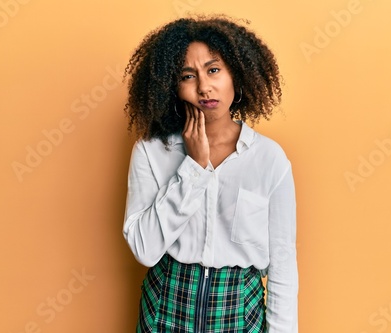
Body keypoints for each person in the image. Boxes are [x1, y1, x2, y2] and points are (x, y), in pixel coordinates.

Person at [122, 15, 298, 333]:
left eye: (213, 70)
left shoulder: (269, 160)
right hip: (165, 309)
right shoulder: (150, 151)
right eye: (188, 76)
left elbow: (283, 262)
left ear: (237, 74)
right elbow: (144, 250)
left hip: (240, 314)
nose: (204, 87)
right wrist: (194, 167)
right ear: (171, 86)